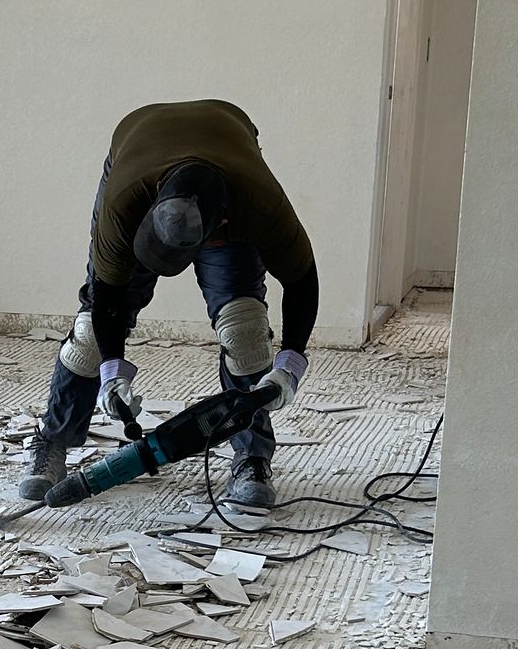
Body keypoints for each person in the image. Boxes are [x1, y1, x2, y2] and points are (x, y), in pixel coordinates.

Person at [18, 98, 318, 511]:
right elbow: (107, 297)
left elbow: (303, 282)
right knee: (89, 337)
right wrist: (111, 376)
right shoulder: (124, 204)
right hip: (138, 146)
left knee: (245, 330)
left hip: (229, 156)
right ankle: (52, 440)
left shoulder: (260, 205)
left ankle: (252, 456)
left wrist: (289, 367)